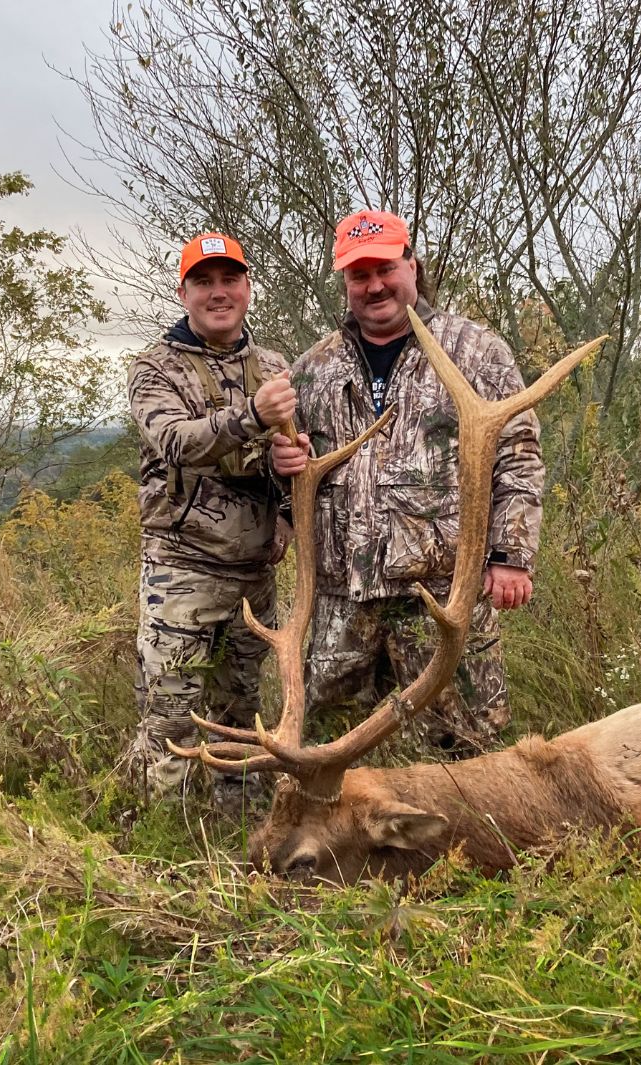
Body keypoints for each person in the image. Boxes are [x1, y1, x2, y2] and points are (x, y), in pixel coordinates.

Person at [271, 209, 544, 757]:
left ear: (412, 266)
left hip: (438, 596)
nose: (374, 285)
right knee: (330, 754)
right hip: (340, 602)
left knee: (463, 755)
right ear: (344, 281)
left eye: (385, 269)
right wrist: (280, 464)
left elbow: (518, 454)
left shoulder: (475, 350)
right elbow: (291, 483)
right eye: (359, 275)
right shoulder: (311, 369)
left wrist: (510, 554)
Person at [125, 231, 295, 807]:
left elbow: (294, 453)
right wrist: (253, 416)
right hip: (182, 573)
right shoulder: (155, 367)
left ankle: (239, 834)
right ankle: (156, 838)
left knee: (240, 718)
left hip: (254, 577)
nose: (218, 292)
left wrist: (288, 503)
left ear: (247, 288)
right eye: (204, 282)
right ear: (184, 293)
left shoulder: (273, 366)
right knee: (169, 719)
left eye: (229, 279)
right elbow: (176, 441)